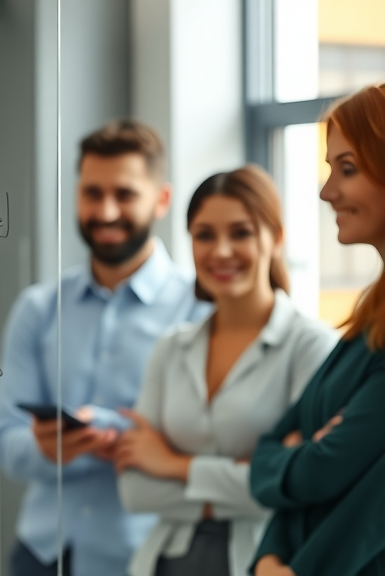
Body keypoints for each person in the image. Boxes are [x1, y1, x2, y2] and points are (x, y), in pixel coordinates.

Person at [0, 119, 210, 576]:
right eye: (93, 193)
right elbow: (7, 441)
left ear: (162, 200)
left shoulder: (201, 311)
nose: (106, 210)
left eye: (125, 194)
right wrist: (48, 450)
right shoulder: (37, 308)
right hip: (41, 553)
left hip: (152, 557)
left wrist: (105, 429)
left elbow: (202, 441)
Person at [114, 165, 337, 576]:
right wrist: (254, 477)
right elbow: (135, 488)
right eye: (204, 235)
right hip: (162, 563)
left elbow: (305, 483)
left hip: (263, 562)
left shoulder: (311, 346)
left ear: (277, 237)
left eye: (241, 232)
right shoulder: (171, 348)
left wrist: (174, 464)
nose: (220, 251)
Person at [250, 83, 385, 576]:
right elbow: (277, 445)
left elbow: (334, 481)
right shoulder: (370, 316)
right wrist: (268, 556)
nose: (327, 191)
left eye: (346, 169)